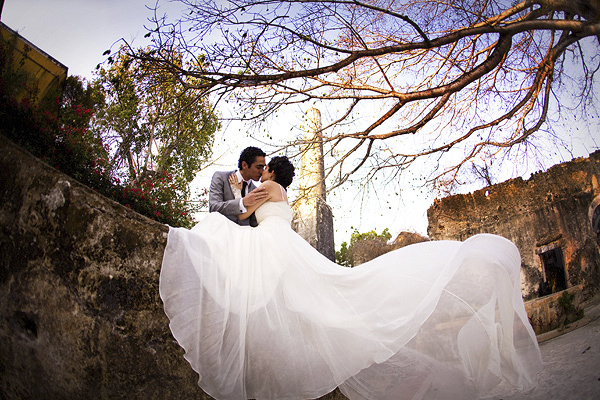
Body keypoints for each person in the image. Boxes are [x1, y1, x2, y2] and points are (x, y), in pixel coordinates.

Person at [160, 156, 543, 400]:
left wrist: (239, 190)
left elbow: (241, 214)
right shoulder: (284, 195)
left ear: (273, 172)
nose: (260, 173)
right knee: (319, 295)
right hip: (281, 243)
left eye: (264, 168)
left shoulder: (267, 188)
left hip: (270, 244)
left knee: (220, 245)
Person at [208, 146, 268, 227]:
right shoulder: (220, 177)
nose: (262, 171)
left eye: (263, 167)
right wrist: (242, 202)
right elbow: (214, 207)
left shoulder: (256, 191)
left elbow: (254, 222)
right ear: (244, 165)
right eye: (258, 167)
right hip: (220, 233)